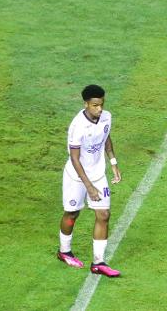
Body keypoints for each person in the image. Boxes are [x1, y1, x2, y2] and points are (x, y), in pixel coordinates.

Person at [57, 84, 122, 277]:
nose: (99, 109)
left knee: (103, 215)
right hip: (76, 177)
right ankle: (64, 251)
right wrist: (89, 187)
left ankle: (98, 263)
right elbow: (75, 159)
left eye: (101, 104)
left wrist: (113, 162)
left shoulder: (106, 116)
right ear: (86, 104)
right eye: (95, 105)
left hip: (98, 174)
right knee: (71, 214)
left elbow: (106, 136)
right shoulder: (77, 126)